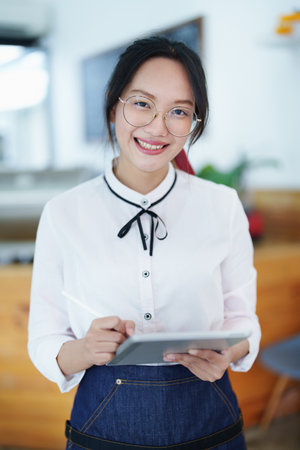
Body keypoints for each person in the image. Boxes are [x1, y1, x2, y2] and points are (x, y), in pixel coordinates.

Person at [28, 36, 261, 449]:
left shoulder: (222, 205)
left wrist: (229, 351)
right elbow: (45, 341)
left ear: (193, 123)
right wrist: (86, 349)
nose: (158, 127)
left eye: (178, 112)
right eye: (141, 103)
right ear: (113, 104)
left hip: (212, 419)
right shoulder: (63, 213)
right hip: (102, 426)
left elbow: (243, 322)